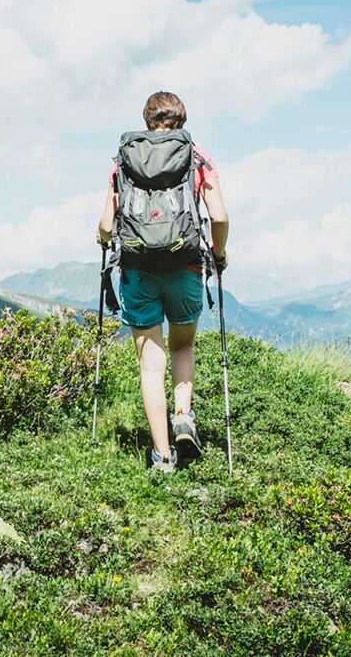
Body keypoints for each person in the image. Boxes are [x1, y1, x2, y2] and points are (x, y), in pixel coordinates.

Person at [96, 91, 229, 474]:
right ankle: (183, 415)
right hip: (185, 265)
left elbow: (107, 224)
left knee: (151, 366)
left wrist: (104, 241)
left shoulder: (125, 157)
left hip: (138, 269)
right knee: (182, 347)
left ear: (147, 119)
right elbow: (218, 216)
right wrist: (218, 256)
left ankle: (163, 456)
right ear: (181, 121)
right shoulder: (197, 156)